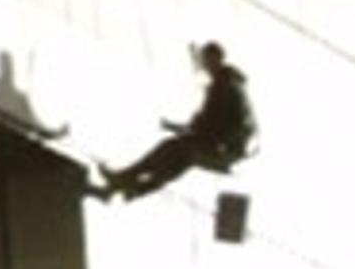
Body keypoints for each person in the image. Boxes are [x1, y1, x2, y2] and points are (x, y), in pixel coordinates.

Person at [92, 42, 256, 202]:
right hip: (228, 147)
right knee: (175, 153)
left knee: (176, 151)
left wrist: (185, 129)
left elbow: (214, 123)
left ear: (215, 59)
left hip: (227, 149)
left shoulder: (224, 85)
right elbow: (209, 121)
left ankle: (126, 183)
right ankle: (123, 187)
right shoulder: (227, 82)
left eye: (205, 60)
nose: (204, 65)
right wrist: (186, 128)